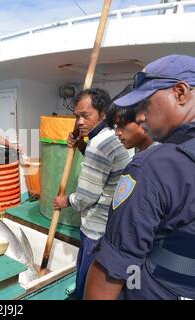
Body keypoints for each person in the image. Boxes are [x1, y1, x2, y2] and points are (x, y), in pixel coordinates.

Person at [85, 54, 195, 300]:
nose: (142, 116)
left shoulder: (152, 168)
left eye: (146, 104)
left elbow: (112, 268)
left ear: (180, 93)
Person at [52, 88, 130, 300]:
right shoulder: (115, 138)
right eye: (77, 116)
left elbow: (87, 197)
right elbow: (107, 168)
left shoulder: (97, 145)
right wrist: (80, 146)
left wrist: (65, 200)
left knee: (86, 285)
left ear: (103, 113)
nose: (79, 122)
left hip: (96, 229)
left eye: (86, 116)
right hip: (112, 226)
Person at [105, 87, 157, 153]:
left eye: (122, 125)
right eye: (116, 126)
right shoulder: (144, 154)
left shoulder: (158, 158)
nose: (117, 133)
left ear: (142, 118)